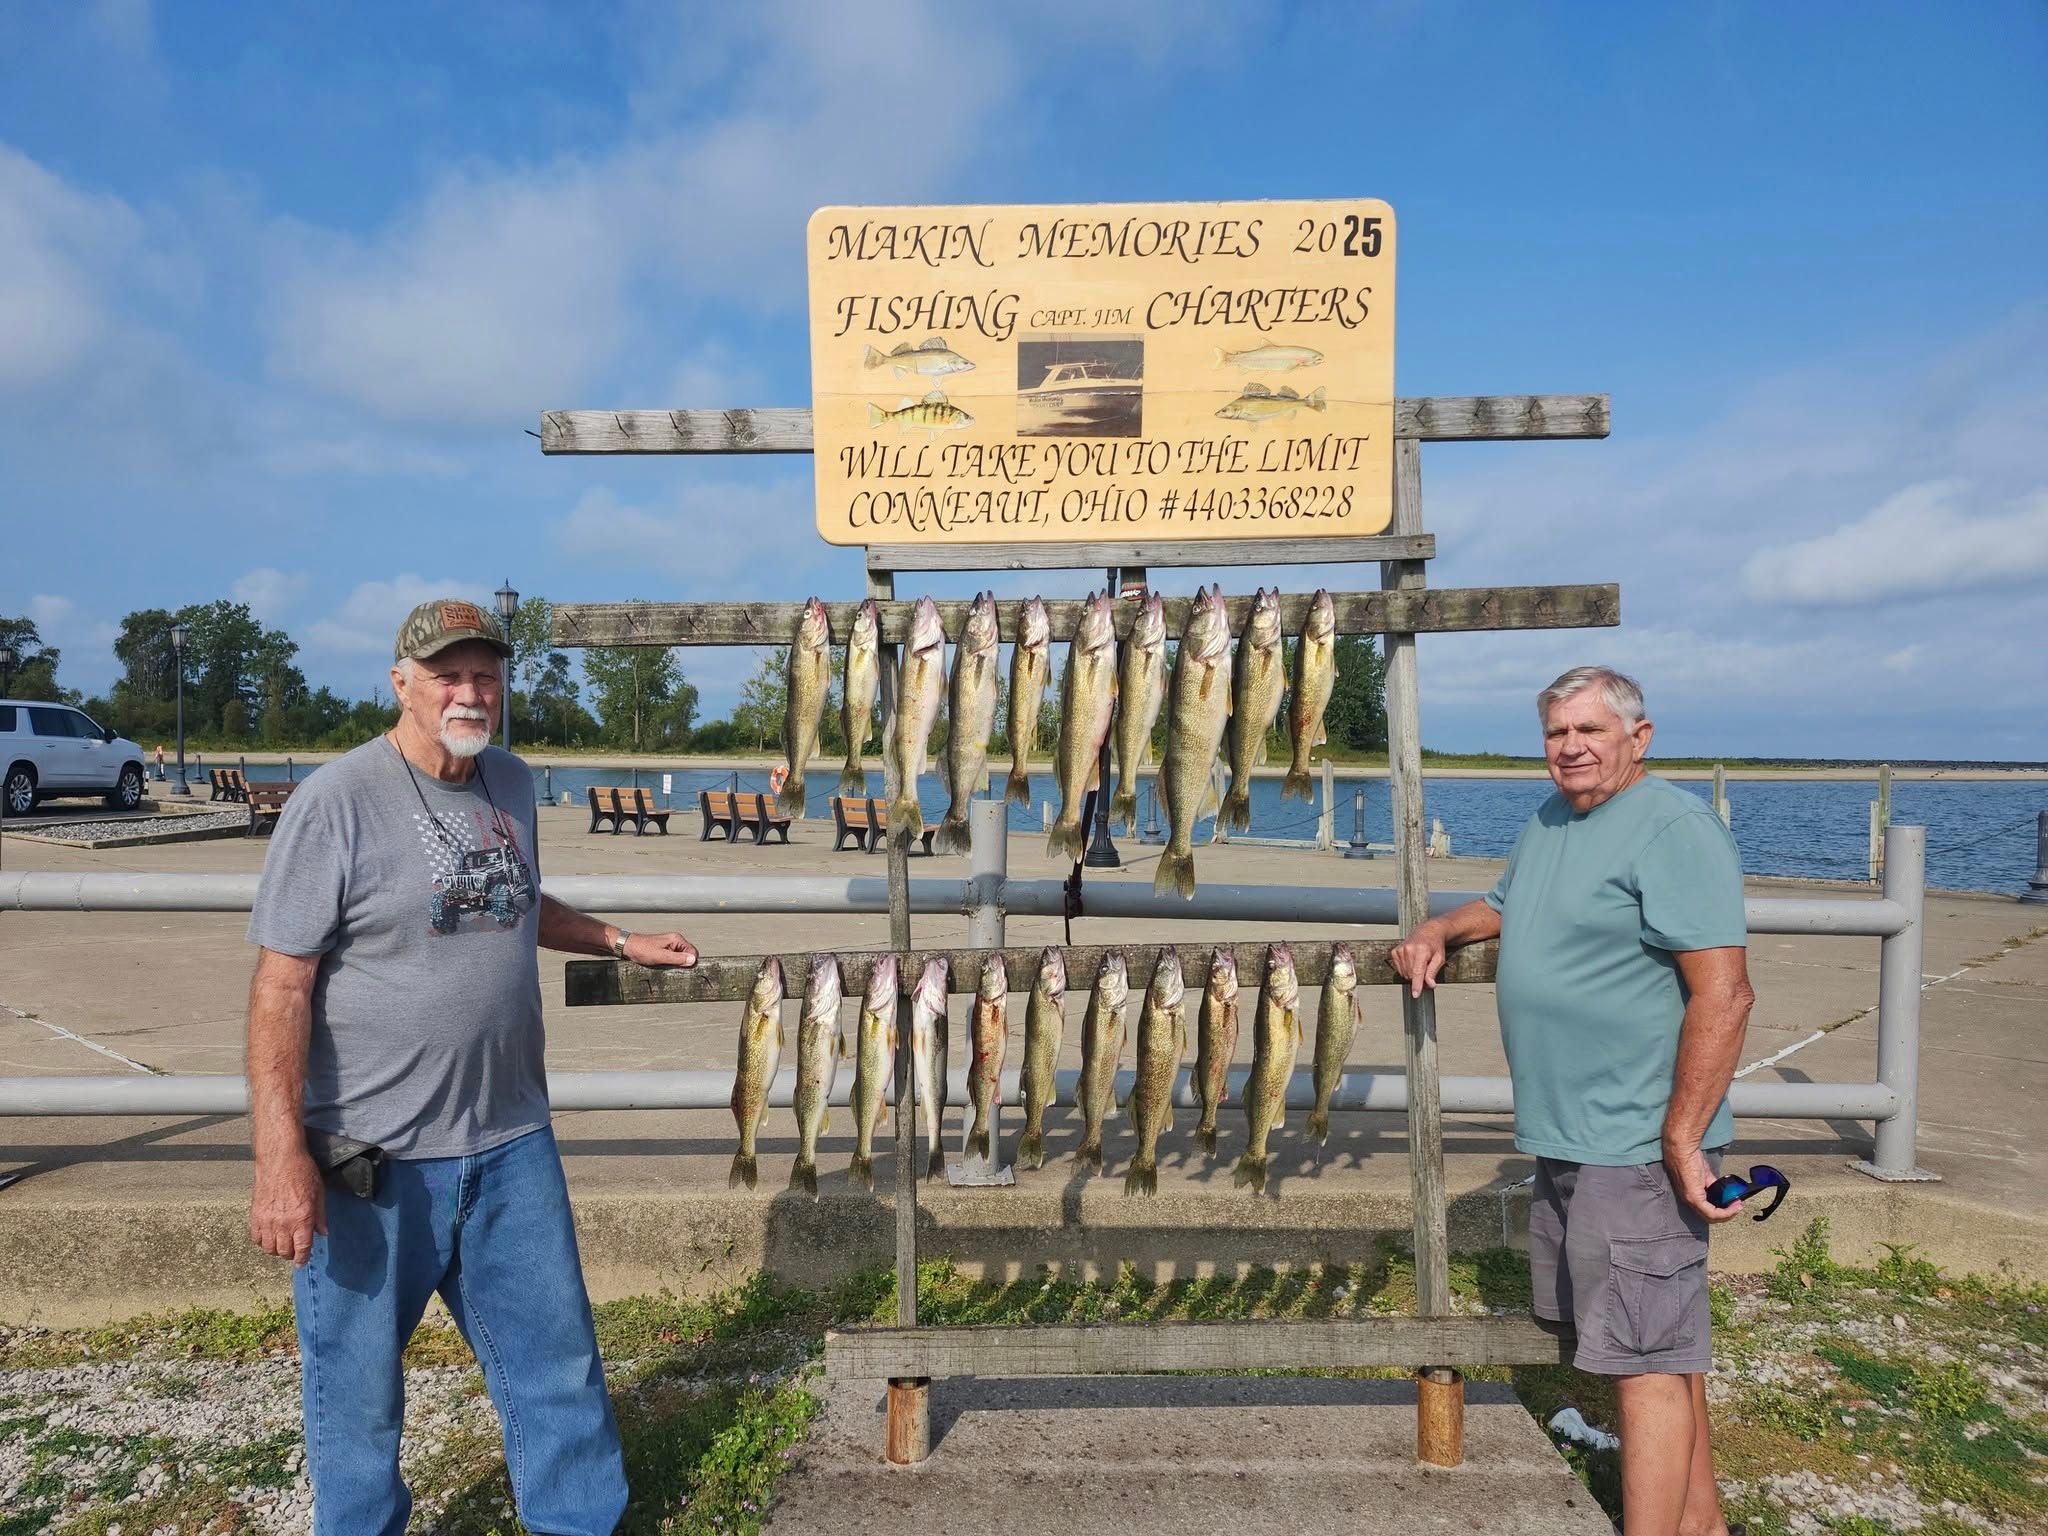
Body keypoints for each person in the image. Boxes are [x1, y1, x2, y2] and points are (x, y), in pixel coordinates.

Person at [245, 597, 699, 1535]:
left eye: (485, 673)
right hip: (371, 1158)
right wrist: (278, 1158)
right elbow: (280, 991)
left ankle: (579, 1523)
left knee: (558, 1366)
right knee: (357, 1391)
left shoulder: (512, 781)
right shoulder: (337, 801)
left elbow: (511, 900)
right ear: (402, 683)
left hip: (511, 1142)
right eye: (447, 674)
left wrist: (616, 939)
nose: (469, 690)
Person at [1392, 666, 1754, 1536]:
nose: (1571, 747)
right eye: (1557, 733)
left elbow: (1727, 995)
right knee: (1657, 1350)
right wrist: (1441, 928)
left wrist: (1681, 1137)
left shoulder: (1671, 827)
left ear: (1641, 736)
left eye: (1591, 730)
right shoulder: (1554, 818)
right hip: (1570, 1134)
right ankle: (1701, 1524)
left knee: (1647, 1367)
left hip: (1634, 1141)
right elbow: (1510, 904)